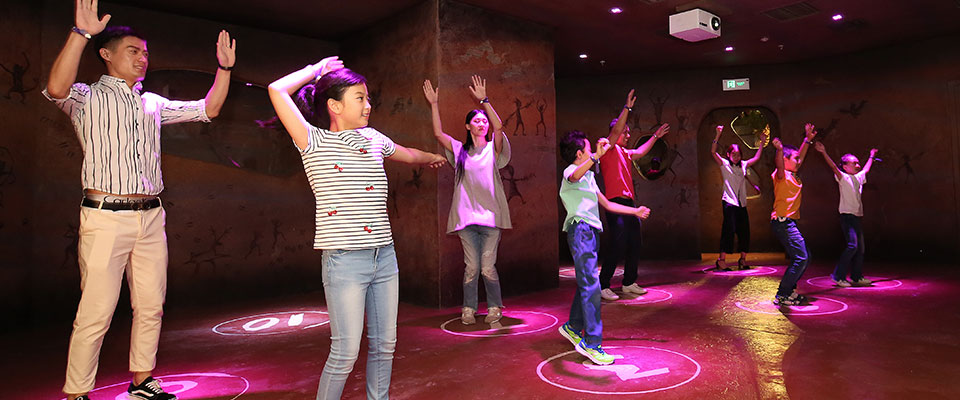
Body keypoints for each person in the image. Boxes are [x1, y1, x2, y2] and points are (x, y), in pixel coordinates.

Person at [43, 1, 236, 399]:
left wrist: (225, 69)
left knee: (150, 306)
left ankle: (141, 381)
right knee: (96, 312)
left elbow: (209, 109)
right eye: (133, 51)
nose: (143, 58)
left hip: (150, 216)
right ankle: (77, 393)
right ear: (106, 54)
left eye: (146, 53)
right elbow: (56, 89)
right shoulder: (86, 97)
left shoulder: (151, 103)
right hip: (105, 216)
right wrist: (81, 33)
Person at [268, 56, 445, 400]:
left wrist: (432, 157)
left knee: (385, 346)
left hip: (385, 257)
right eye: (360, 98)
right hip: (345, 261)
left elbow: (408, 154)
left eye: (368, 97)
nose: (368, 105)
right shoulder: (313, 141)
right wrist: (316, 70)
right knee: (345, 353)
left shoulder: (373, 138)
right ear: (335, 106)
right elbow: (277, 90)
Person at [557, 130, 651, 365]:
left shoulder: (589, 177)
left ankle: (573, 326)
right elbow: (574, 176)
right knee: (592, 286)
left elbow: (608, 204)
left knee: (587, 283)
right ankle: (591, 343)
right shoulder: (570, 171)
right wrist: (596, 156)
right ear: (579, 154)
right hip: (580, 230)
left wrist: (635, 211)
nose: (593, 151)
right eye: (589, 149)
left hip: (591, 232)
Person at [422, 76, 511, 325]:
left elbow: (499, 127)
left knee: (487, 267)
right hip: (466, 218)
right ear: (468, 126)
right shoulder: (460, 151)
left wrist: (484, 101)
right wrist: (434, 104)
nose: (482, 124)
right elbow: (438, 134)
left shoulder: (493, 149)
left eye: (484, 121)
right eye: (477, 121)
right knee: (471, 267)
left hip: (491, 218)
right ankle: (469, 308)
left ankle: (494, 306)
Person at [598, 89, 669, 300]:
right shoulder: (607, 147)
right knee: (617, 243)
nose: (628, 136)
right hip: (615, 203)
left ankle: (629, 282)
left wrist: (655, 136)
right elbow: (616, 130)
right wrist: (627, 108)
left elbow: (641, 152)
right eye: (626, 132)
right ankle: (603, 284)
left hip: (629, 203)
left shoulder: (626, 153)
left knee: (635, 243)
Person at [814, 141, 879, 287]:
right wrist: (824, 152)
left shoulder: (859, 177)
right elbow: (833, 166)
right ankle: (838, 276)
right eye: (854, 163)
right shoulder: (843, 177)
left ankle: (856, 276)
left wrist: (871, 156)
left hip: (857, 217)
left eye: (858, 163)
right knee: (852, 245)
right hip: (847, 217)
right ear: (845, 166)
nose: (858, 165)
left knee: (860, 248)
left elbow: (866, 169)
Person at [770, 124, 817, 306]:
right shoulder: (781, 175)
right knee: (801, 258)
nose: (799, 161)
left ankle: (789, 291)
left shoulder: (793, 175)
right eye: (795, 159)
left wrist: (807, 140)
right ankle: (782, 294)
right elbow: (779, 163)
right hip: (782, 222)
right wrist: (780, 150)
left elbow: (801, 157)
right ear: (785, 160)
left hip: (789, 223)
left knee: (804, 257)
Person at [710, 124, 768, 270]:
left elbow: (757, 157)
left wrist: (762, 142)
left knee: (744, 231)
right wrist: (718, 135)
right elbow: (713, 152)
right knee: (728, 230)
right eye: (734, 154)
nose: (736, 157)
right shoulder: (724, 164)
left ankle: (742, 260)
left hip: (741, 203)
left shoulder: (743, 165)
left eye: (738, 154)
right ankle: (721, 260)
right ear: (728, 155)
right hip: (729, 202)